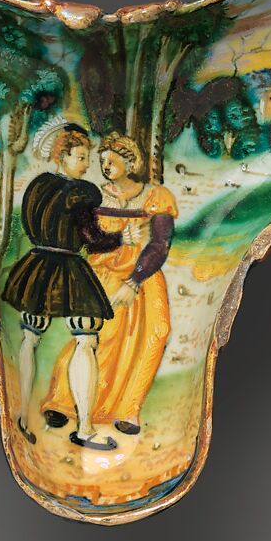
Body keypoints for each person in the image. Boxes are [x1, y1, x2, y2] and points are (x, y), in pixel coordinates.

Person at [38, 131, 177, 437]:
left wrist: (135, 280)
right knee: (102, 335)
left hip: (144, 274)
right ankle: (62, 401)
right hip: (105, 273)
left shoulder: (155, 196)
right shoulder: (94, 196)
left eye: (111, 161)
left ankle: (129, 409)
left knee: (156, 331)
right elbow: (89, 239)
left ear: (130, 161)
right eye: (101, 162)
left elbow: (160, 244)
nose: (104, 167)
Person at [1, 118, 123, 451]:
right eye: (81, 157)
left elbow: (30, 224)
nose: (85, 164)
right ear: (62, 155)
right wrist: (121, 239)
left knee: (30, 337)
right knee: (86, 338)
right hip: (68, 267)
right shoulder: (82, 193)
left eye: (86, 157)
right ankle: (84, 428)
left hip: (37, 266)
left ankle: (22, 417)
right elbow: (92, 239)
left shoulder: (38, 187)